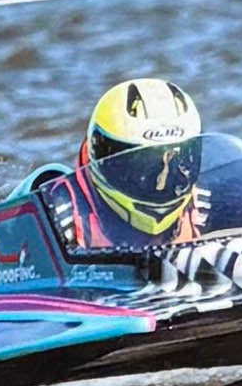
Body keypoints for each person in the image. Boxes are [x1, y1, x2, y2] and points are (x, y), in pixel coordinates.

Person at [41, 74, 207, 265]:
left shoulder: (209, 202)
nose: (162, 181)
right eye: (144, 166)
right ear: (102, 157)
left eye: (178, 162)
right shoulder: (56, 208)